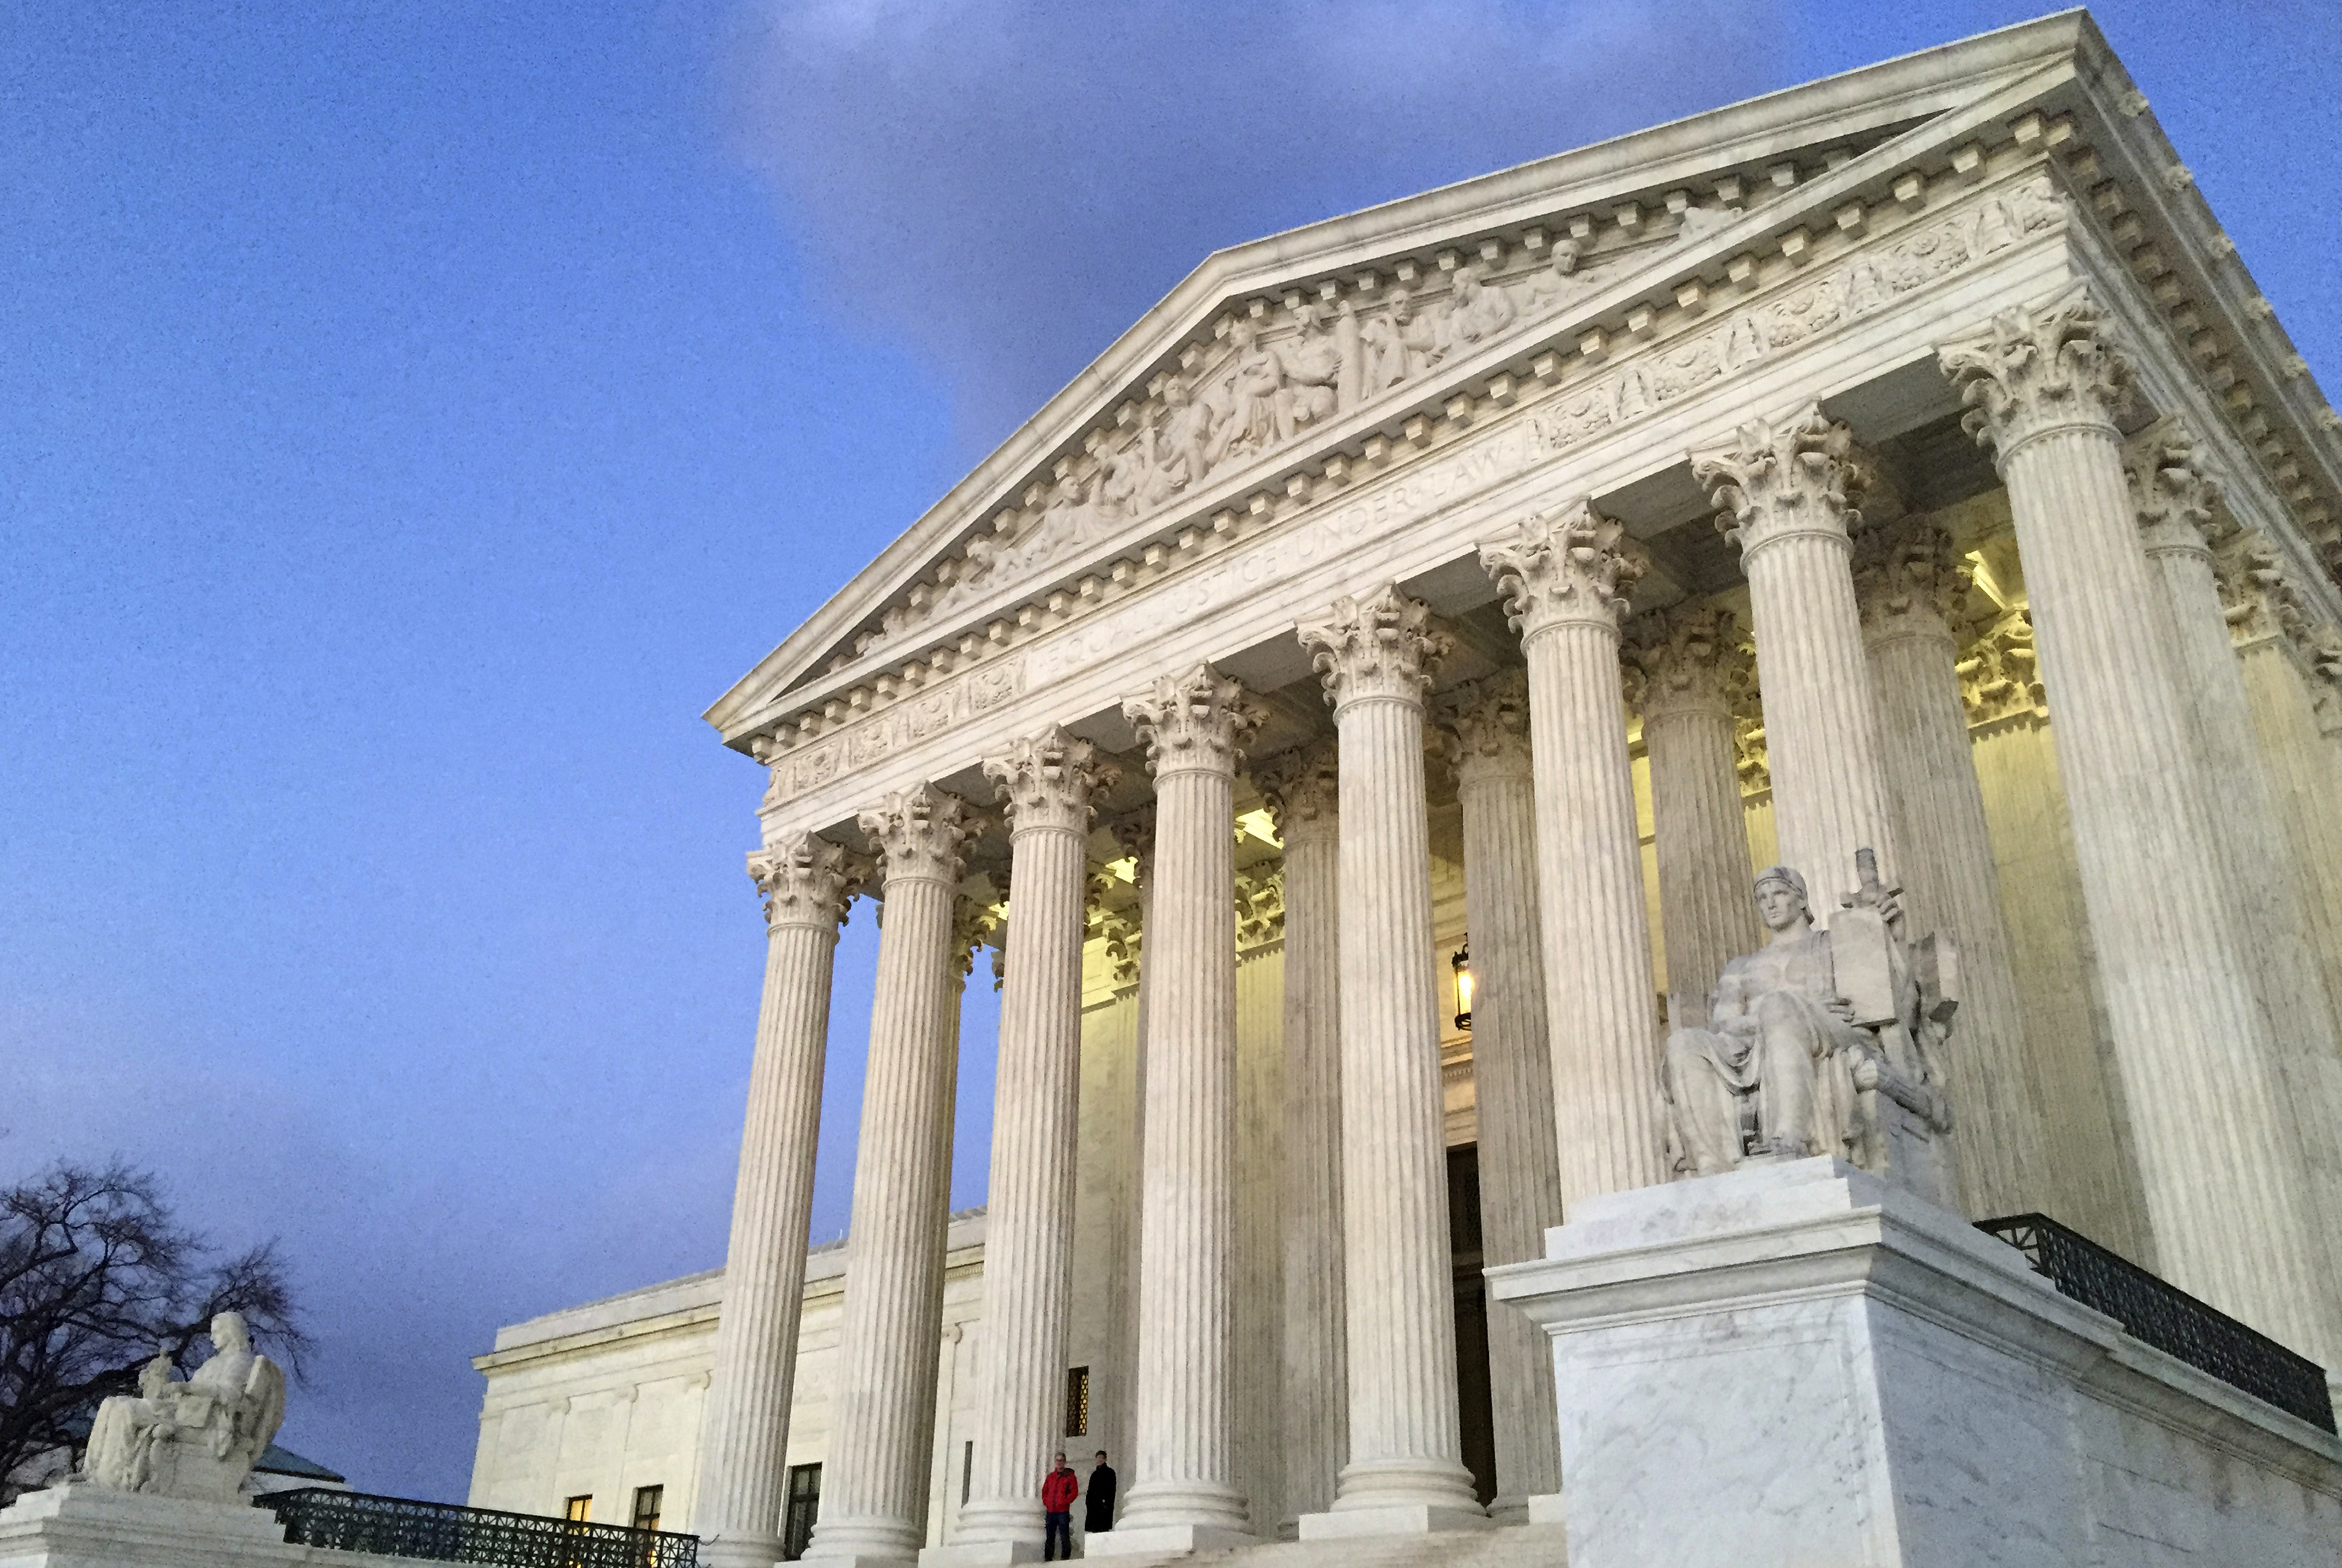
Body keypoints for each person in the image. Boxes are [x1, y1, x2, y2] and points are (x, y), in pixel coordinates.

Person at [1040, 1452, 1079, 1561]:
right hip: (1051, 1510)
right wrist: (1047, 1502)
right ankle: (1048, 1557)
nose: (1059, 1463)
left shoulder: (1070, 1477)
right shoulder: (1051, 1477)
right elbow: (1045, 1492)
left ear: (1065, 1462)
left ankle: (1066, 1557)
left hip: (1063, 1510)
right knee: (1050, 1536)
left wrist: (1064, 1502)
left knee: (1064, 1535)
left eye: (1061, 1460)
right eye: (1057, 1460)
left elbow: (1074, 1492)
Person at [1083, 1450, 1117, 1538]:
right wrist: (1088, 1502)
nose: (1100, 1460)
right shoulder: (1094, 1474)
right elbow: (1090, 1490)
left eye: (1102, 1458)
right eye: (1098, 1458)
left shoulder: (1110, 1473)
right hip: (1094, 1505)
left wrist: (1106, 1502)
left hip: (1103, 1505)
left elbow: (1111, 1489)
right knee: (1094, 1529)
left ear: (1105, 1459)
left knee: (1103, 1528)